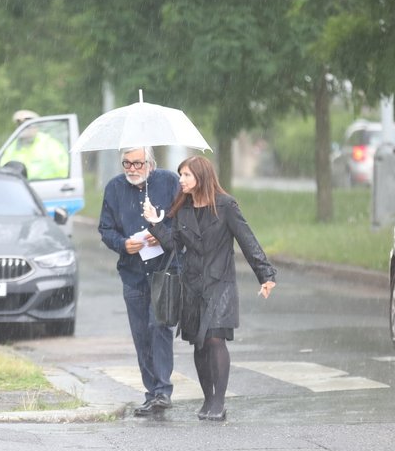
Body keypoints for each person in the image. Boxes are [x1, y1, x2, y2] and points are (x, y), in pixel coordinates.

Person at [144, 155, 276, 422]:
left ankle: (219, 401)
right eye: (180, 175)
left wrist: (266, 274)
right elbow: (174, 245)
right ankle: (207, 398)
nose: (181, 180)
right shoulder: (183, 209)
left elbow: (247, 240)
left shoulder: (226, 206)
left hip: (220, 284)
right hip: (191, 285)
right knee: (200, 343)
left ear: (201, 177)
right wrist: (156, 223)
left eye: (186, 175)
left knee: (215, 338)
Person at [99, 146, 181, 417]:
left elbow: (183, 221)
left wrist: (163, 234)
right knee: (141, 334)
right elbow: (105, 228)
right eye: (127, 164)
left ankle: (162, 391)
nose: (132, 169)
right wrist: (123, 244)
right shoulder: (114, 188)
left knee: (159, 326)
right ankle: (151, 392)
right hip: (133, 272)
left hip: (165, 269)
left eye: (137, 163)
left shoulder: (169, 182)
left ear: (151, 163)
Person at [0, 109, 69, 180]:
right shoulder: (11, 147)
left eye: (28, 124)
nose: (24, 128)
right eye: (19, 124)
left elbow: (64, 171)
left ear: (37, 126)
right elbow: (3, 172)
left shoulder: (50, 145)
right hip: (19, 188)